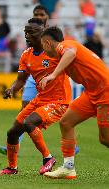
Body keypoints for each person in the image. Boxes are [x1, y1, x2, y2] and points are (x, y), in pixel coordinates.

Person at [0, 18, 72, 176]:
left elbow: (72, 57)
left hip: (59, 101)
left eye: (31, 33)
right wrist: (11, 89)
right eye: (25, 33)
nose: (27, 36)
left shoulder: (55, 51)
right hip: (41, 99)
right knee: (12, 132)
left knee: (29, 122)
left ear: (43, 34)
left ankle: (47, 158)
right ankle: (12, 168)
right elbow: (21, 80)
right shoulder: (26, 55)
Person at [40, 26, 109, 179]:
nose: (43, 50)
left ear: (47, 43)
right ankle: (68, 168)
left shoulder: (65, 46)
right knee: (66, 122)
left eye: (42, 45)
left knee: (105, 139)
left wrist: (53, 74)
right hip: (92, 93)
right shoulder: (61, 56)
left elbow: (71, 52)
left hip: (106, 93)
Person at [0, 5, 49, 155]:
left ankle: (70, 144)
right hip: (34, 76)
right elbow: (21, 78)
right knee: (25, 111)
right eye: (36, 14)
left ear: (47, 19)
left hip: (53, 82)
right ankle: (14, 144)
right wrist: (12, 88)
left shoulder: (54, 42)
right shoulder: (29, 46)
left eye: (42, 14)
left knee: (66, 118)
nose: (39, 17)